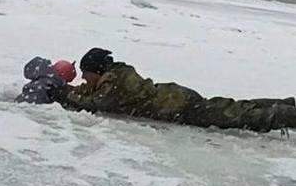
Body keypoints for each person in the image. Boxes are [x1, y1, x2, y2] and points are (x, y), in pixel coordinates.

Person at [63, 48, 296, 132]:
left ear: (98, 70)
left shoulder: (113, 82)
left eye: (86, 73)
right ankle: (285, 103)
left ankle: (285, 115)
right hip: (176, 98)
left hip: (179, 107)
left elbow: (99, 103)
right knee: (231, 107)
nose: (84, 77)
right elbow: (94, 94)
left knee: (235, 116)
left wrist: (64, 95)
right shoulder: (116, 75)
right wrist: (72, 90)